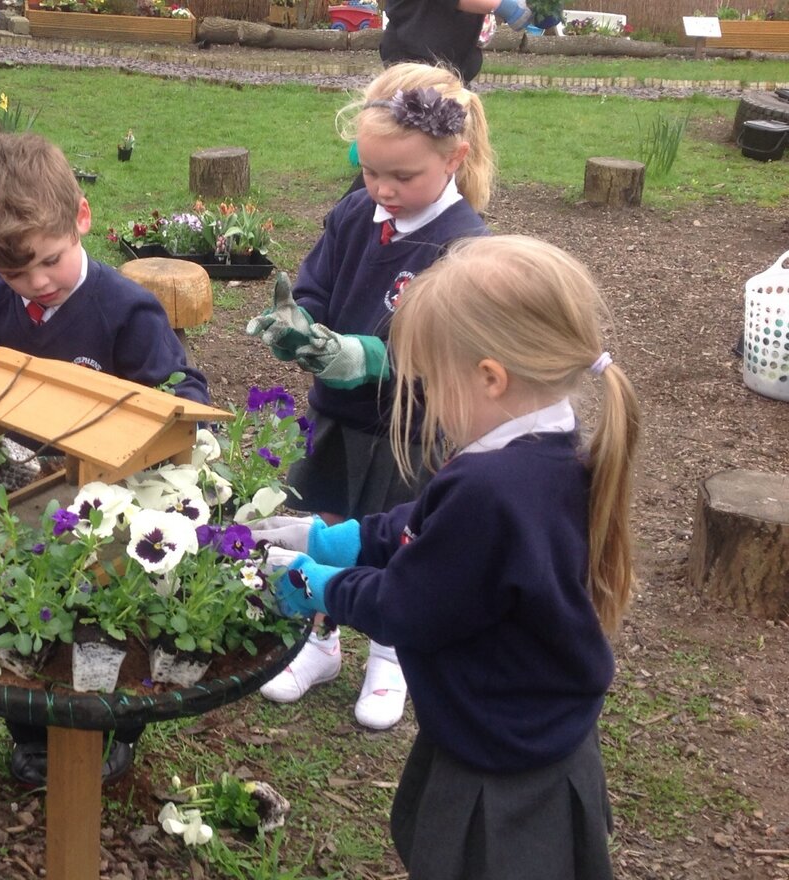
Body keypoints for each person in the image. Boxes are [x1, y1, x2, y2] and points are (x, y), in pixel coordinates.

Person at [264, 234, 637, 880]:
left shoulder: (491, 489)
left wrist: (319, 585)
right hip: (532, 720)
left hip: (503, 765)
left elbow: (409, 607)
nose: (426, 398)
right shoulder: (546, 448)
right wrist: (342, 539)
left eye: (431, 382)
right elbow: (431, 527)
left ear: (490, 378)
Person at [0, 132, 210, 787]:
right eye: (15, 274)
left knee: (105, 627)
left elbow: (184, 398)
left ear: (82, 218)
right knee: (25, 617)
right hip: (18, 506)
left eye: (49, 261)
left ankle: (113, 731)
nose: (35, 284)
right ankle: (32, 731)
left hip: (110, 509)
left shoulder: (127, 310)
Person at [246, 62, 494, 730]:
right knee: (325, 522)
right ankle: (321, 641)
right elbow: (316, 284)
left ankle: (390, 656)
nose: (383, 189)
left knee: (400, 540)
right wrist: (299, 325)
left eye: (403, 177)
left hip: (410, 430)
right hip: (336, 415)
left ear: (455, 158)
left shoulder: (466, 246)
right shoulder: (359, 213)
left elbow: (450, 355)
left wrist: (368, 356)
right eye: (369, 170)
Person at [381, 0, 534, 86]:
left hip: (454, 58)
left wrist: (542, 6)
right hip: (416, 55)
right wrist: (501, 5)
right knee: (416, 132)